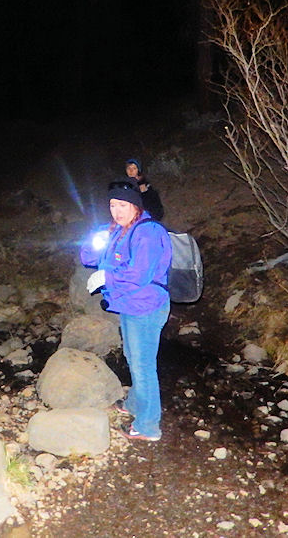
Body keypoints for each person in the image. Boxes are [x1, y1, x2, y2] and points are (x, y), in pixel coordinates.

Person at [80, 176, 172, 441]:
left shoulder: (148, 232)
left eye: (122, 205)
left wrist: (107, 277)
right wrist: (97, 238)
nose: (117, 211)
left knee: (143, 366)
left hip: (147, 306)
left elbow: (140, 274)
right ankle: (133, 405)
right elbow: (87, 257)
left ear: (135, 206)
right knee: (133, 358)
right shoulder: (117, 230)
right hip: (129, 304)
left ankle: (149, 426)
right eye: (112, 205)